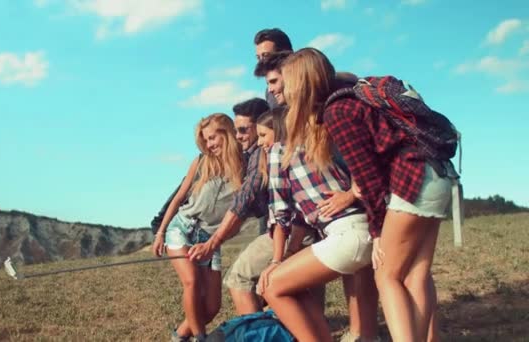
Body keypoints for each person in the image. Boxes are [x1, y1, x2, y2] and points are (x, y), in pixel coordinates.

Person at [283, 48, 454, 341]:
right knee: (416, 274)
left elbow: (368, 180)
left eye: (286, 85)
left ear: (301, 85)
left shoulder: (337, 113)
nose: (283, 92)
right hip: (437, 172)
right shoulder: (353, 96)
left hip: (412, 178)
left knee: (386, 275)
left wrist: (376, 233)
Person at [256, 51, 380, 342]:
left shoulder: (282, 149)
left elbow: (280, 213)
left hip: (347, 233)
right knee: (366, 336)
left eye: (278, 82)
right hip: (367, 229)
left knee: (271, 286)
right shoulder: (323, 124)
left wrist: (277, 260)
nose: (274, 89)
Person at [152, 114, 244, 342]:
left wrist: (215, 243)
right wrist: (161, 232)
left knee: (212, 306)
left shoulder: (245, 166)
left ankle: (180, 336)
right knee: (191, 281)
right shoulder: (202, 161)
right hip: (183, 228)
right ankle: (201, 338)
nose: (210, 144)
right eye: (206, 140)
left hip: (212, 240)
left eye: (213, 138)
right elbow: (179, 197)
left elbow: (240, 215)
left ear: (227, 132)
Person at [187, 98, 273, 315]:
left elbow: (243, 200)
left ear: (261, 125)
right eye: (236, 130)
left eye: (243, 130)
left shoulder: (259, 155)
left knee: (239, 279)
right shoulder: (251, 154)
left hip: (287, 230)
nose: (238, 136)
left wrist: (213, 243)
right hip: (285, 229)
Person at [253, 28, 293, 108]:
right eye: (258, 57)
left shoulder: (309, 80)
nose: (261, 62)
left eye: (266, 55)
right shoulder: (270, 94)